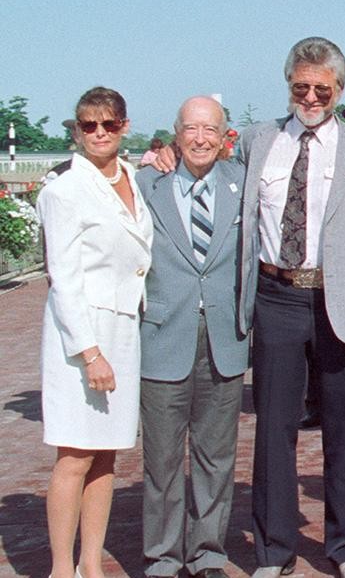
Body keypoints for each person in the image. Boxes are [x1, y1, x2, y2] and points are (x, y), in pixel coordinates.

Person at [233, 37, 345, 578]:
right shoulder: (258, 142)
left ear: (340, 91)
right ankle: (274, 551)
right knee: (273, 431)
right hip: (275, 297)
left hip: (343, 301)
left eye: (321, 89)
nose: (310, 97)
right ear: (288, 86)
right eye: (300, 87)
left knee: (343, 427)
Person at [38, 87, 152, 578]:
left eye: (108, 124)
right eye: (88, 126)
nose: (99, 134)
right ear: (77, 130)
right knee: (74, 454)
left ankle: (91, 563)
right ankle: (62, 568)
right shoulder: (62, 189)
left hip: (125, 328)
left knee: (106, 455)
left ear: (124, 126)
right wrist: (90, 353)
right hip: (82, 334)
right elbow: (62, 277)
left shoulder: (132, 176)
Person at [136, 96, 251, 578]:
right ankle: (162, 558)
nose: (200, 138)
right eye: (190, 129)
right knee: (161, 462)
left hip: (224, 339)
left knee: (216, 457)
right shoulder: (145, 184)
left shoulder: (242, 184)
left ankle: (207, 554)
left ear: (225, 137)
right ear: (175, 134)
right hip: (164, 335)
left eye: (210, 130)